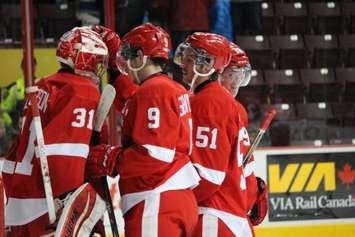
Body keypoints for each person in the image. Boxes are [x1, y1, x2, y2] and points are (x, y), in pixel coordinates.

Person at [87, 23, 200, 237]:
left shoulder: (154, 91)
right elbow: (134, 105)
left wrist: (111, 158)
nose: (126, 65)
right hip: (173, 200)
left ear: (140, 57)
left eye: (129, 56)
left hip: (156, 201)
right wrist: (112, 67)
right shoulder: (169, 87)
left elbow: (155, 154)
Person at [2, 27, 110, 237]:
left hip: (21, 194)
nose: (98, 69)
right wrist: (70, 197)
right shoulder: (83, 90)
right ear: (82, 57)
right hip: (49, 200)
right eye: (96, 62)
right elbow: (64, 152)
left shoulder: (45, 84)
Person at [174, 32, 257, 236]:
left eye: (190, 59)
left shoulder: (208, 103)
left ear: (209, 65)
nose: (235, 84)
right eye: (232, 75)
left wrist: (176, 202)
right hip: (230, 216)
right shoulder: (224, 104)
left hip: (212, 216)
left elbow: (209, 176)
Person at [220, 42, 269, 234]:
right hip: (222, 213)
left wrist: (251, 193)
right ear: (217, 72)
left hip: (231, 212)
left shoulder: (236, 112)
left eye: (240, 76)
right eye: (230, 75)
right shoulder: (229, 111)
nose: (235, 83)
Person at [0, 58, 37, 134]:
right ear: (22, 68)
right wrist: (11, 125)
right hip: (19, 132)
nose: (29, 69)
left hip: (36, 132)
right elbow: (3, 109)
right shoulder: (15, 87)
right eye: (26, 67)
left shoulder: (42, 85)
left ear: (35, 67)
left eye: (32, 66)